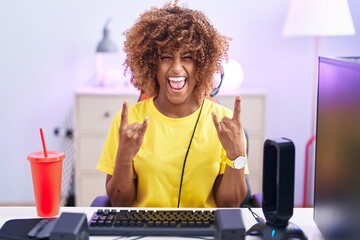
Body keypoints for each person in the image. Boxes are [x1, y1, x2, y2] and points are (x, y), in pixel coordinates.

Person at [96, 1, 249, 208]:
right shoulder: (129, 122)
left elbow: (229, 205)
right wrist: (124, 156)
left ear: (201, 65)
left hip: (203, 231)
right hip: (144, 229)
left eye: (187, 57)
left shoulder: (225, 124)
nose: (177, 68)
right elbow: (119, 201)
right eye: (166, 57)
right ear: (151, 65)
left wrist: (236, 154)